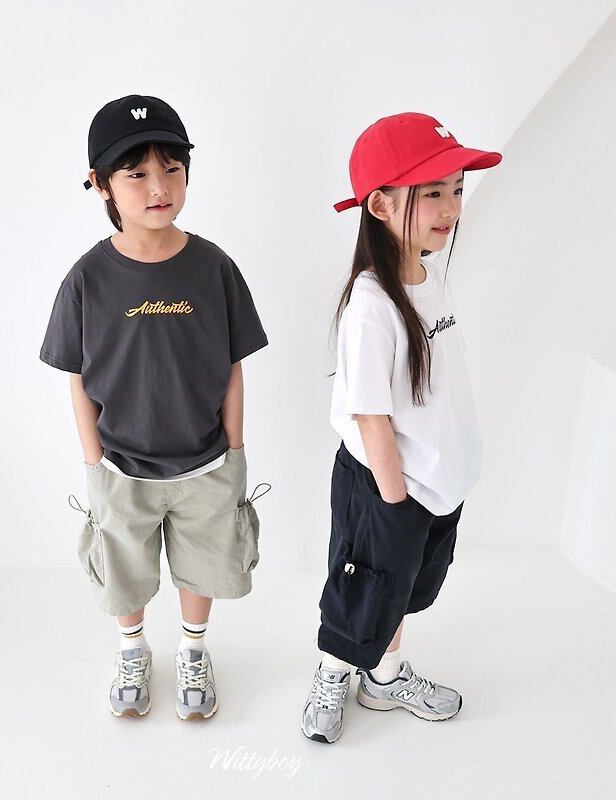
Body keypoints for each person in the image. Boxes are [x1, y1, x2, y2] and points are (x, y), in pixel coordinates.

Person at [39, 94, 269, 721]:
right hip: (121, 465)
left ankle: (193, 651)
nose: (158, 187)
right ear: (100, 184)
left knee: (204, 563)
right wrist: (94, 462)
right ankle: (133, 650)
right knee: (124, 568)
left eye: (171, 168)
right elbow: (77, 377)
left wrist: (234, 450)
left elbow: (233, 365)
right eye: (136, 173)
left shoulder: (214, 267)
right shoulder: (88, 278)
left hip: (206, 461)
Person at [301, 112, 502, 743]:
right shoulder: (371, 305)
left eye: (456, 189)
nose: (452, 207)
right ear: (381, 204)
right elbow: (371, 414)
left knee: (402, 591)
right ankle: (333, 674)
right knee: (362, 590)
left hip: (435, 482)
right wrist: (393, 504)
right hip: (388, 485)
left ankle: (383, 679)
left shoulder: (431, 271)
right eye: (433, 192)